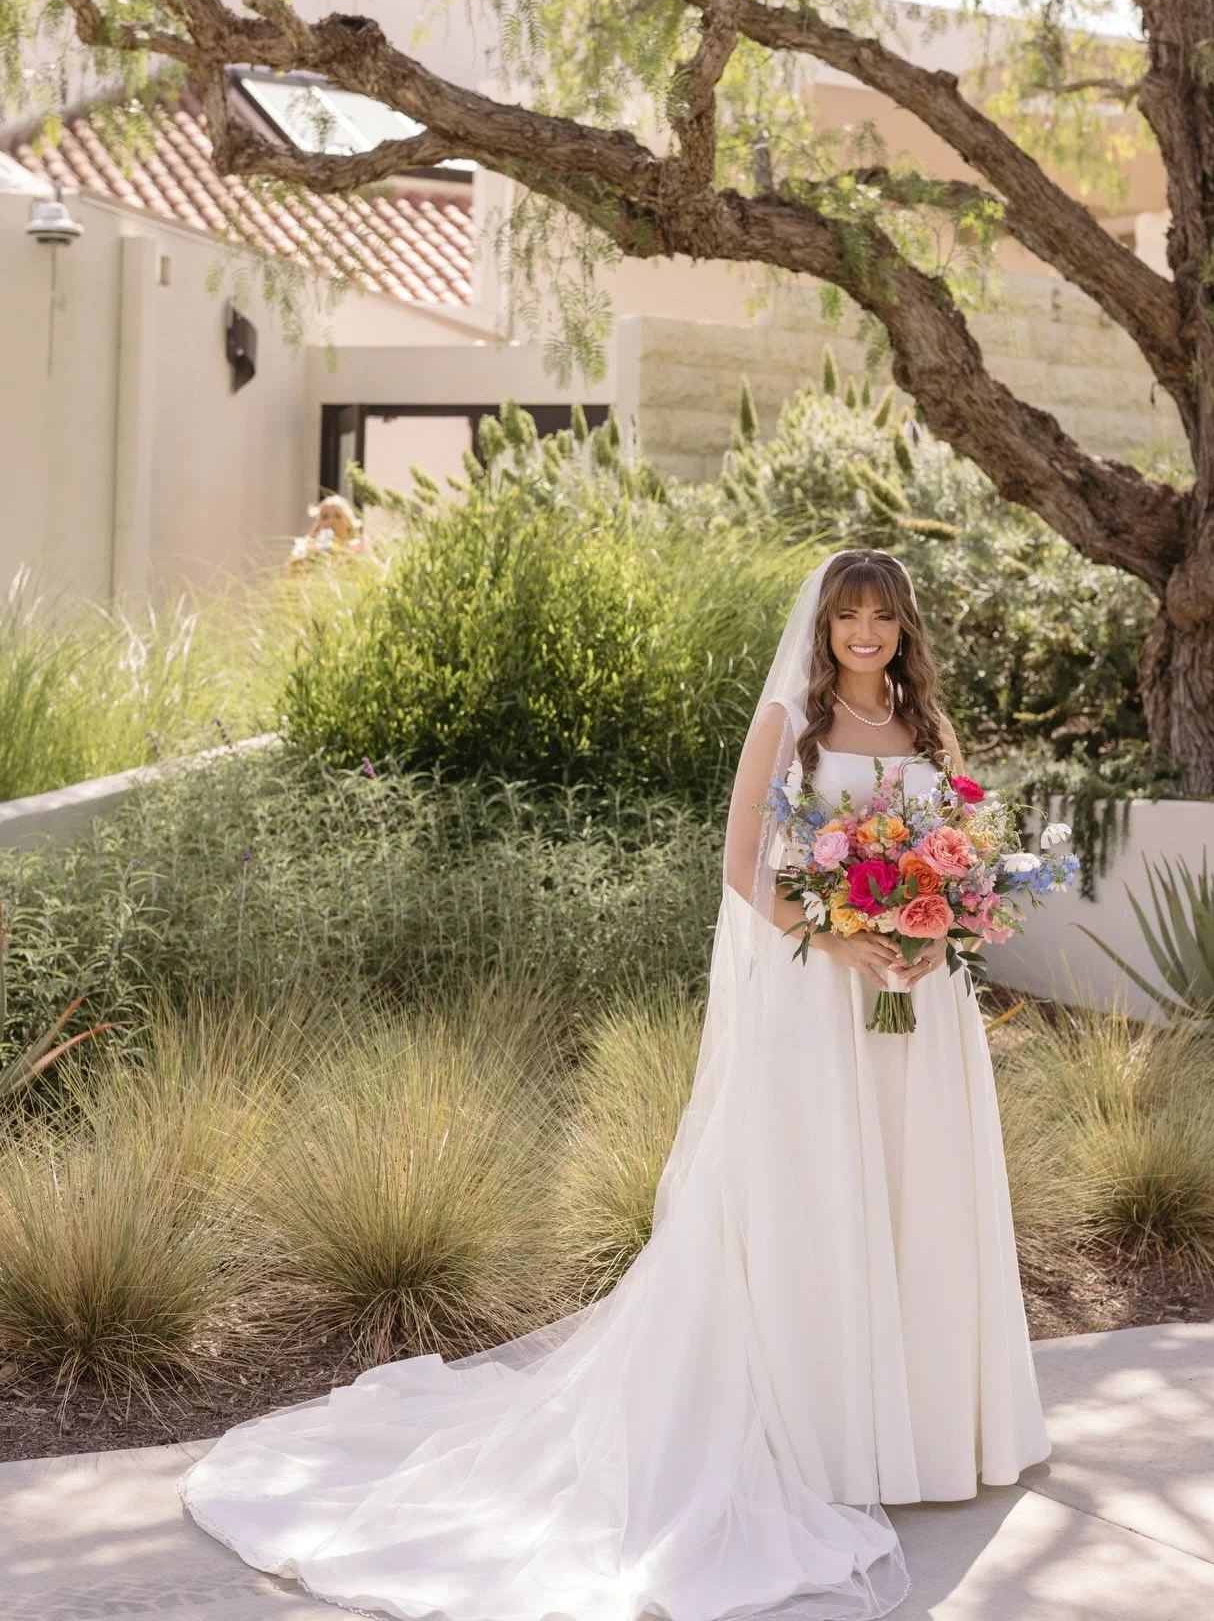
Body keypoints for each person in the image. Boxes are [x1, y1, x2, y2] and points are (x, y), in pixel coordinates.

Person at [181, 548, 1049, 1621]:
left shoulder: (931, 734)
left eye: (882, 618)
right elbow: (743, 865)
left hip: (919, 1004)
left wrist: (937, 925)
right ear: (825, 630)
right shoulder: (792, 725)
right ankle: (834, 1434)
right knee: (821, 1200)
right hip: (824, 999)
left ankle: (927, 1432)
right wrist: (839, 938)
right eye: (847, 618)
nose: (864, 635)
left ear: (907, 629)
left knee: (921, 1200)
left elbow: (962, 850)